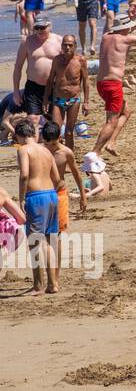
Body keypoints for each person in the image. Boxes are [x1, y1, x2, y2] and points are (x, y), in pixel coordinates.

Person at [93, 13, 136, 158]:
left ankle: (111, 143)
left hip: (101, 84)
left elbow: (123, 31)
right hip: (113, 84)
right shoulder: (125, 39)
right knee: (111, 120)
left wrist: (132, 19)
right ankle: (95, 151)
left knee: (126, 111)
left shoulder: (106, 37)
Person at [15, 119, 59, 294]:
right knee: (48, 241)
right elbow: (56, 177)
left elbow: (24, 174)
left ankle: (38, 284)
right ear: (33, 133)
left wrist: (21, 198)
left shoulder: (24, 150)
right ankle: (53, 283)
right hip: (51, 195)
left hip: (35, 196)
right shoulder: (46, 150)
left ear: (18, 135)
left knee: (34, 241)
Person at [43, 33, 89, 151]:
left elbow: (86, 82)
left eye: (70, 45)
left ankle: (69, 158)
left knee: (69, 132)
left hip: (74, 99)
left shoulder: (81, 60)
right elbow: (50, 80)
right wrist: (45, 99)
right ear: (61, 46)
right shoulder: (57, 60)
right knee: (55, 132)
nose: (67, 48)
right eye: (65, 45)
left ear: (75, 46)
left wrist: (86, 102)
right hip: (58, 100)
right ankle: (55, 156)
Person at [13, 17, 62, 117]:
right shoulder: (27, 42)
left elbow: (70, 65)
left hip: (54, 86)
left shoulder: (59, 40)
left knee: (54, 119)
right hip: (33, 87)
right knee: (33, 119)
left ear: (50, 26)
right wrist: (16, 91)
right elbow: (18, 67)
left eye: (42, 27)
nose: (39, 30)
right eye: (37, 28)